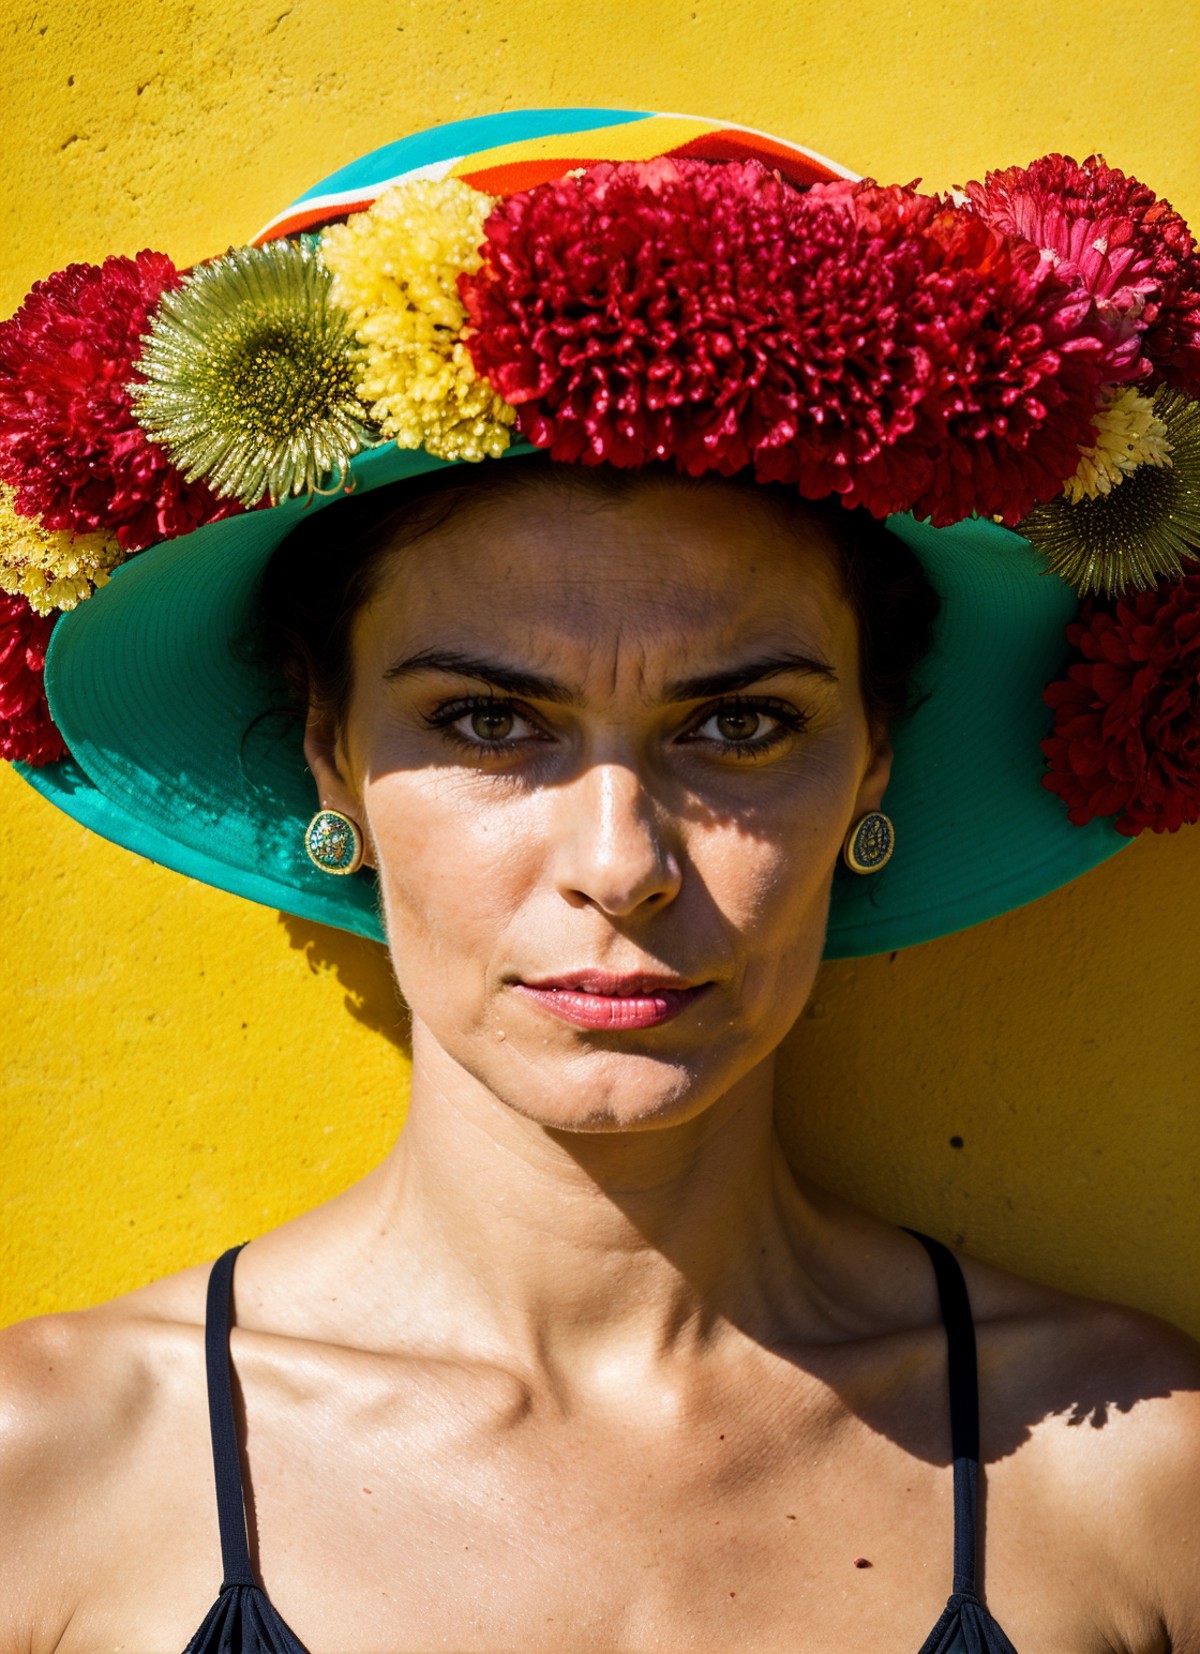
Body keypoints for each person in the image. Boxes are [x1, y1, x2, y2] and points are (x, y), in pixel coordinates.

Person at [1, 109, 1198, 1654]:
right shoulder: (56, 1480)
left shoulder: (1140, 1484)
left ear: (874, 766)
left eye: (741, 723)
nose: (624, 863)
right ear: (332, 754)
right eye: (492, 722)